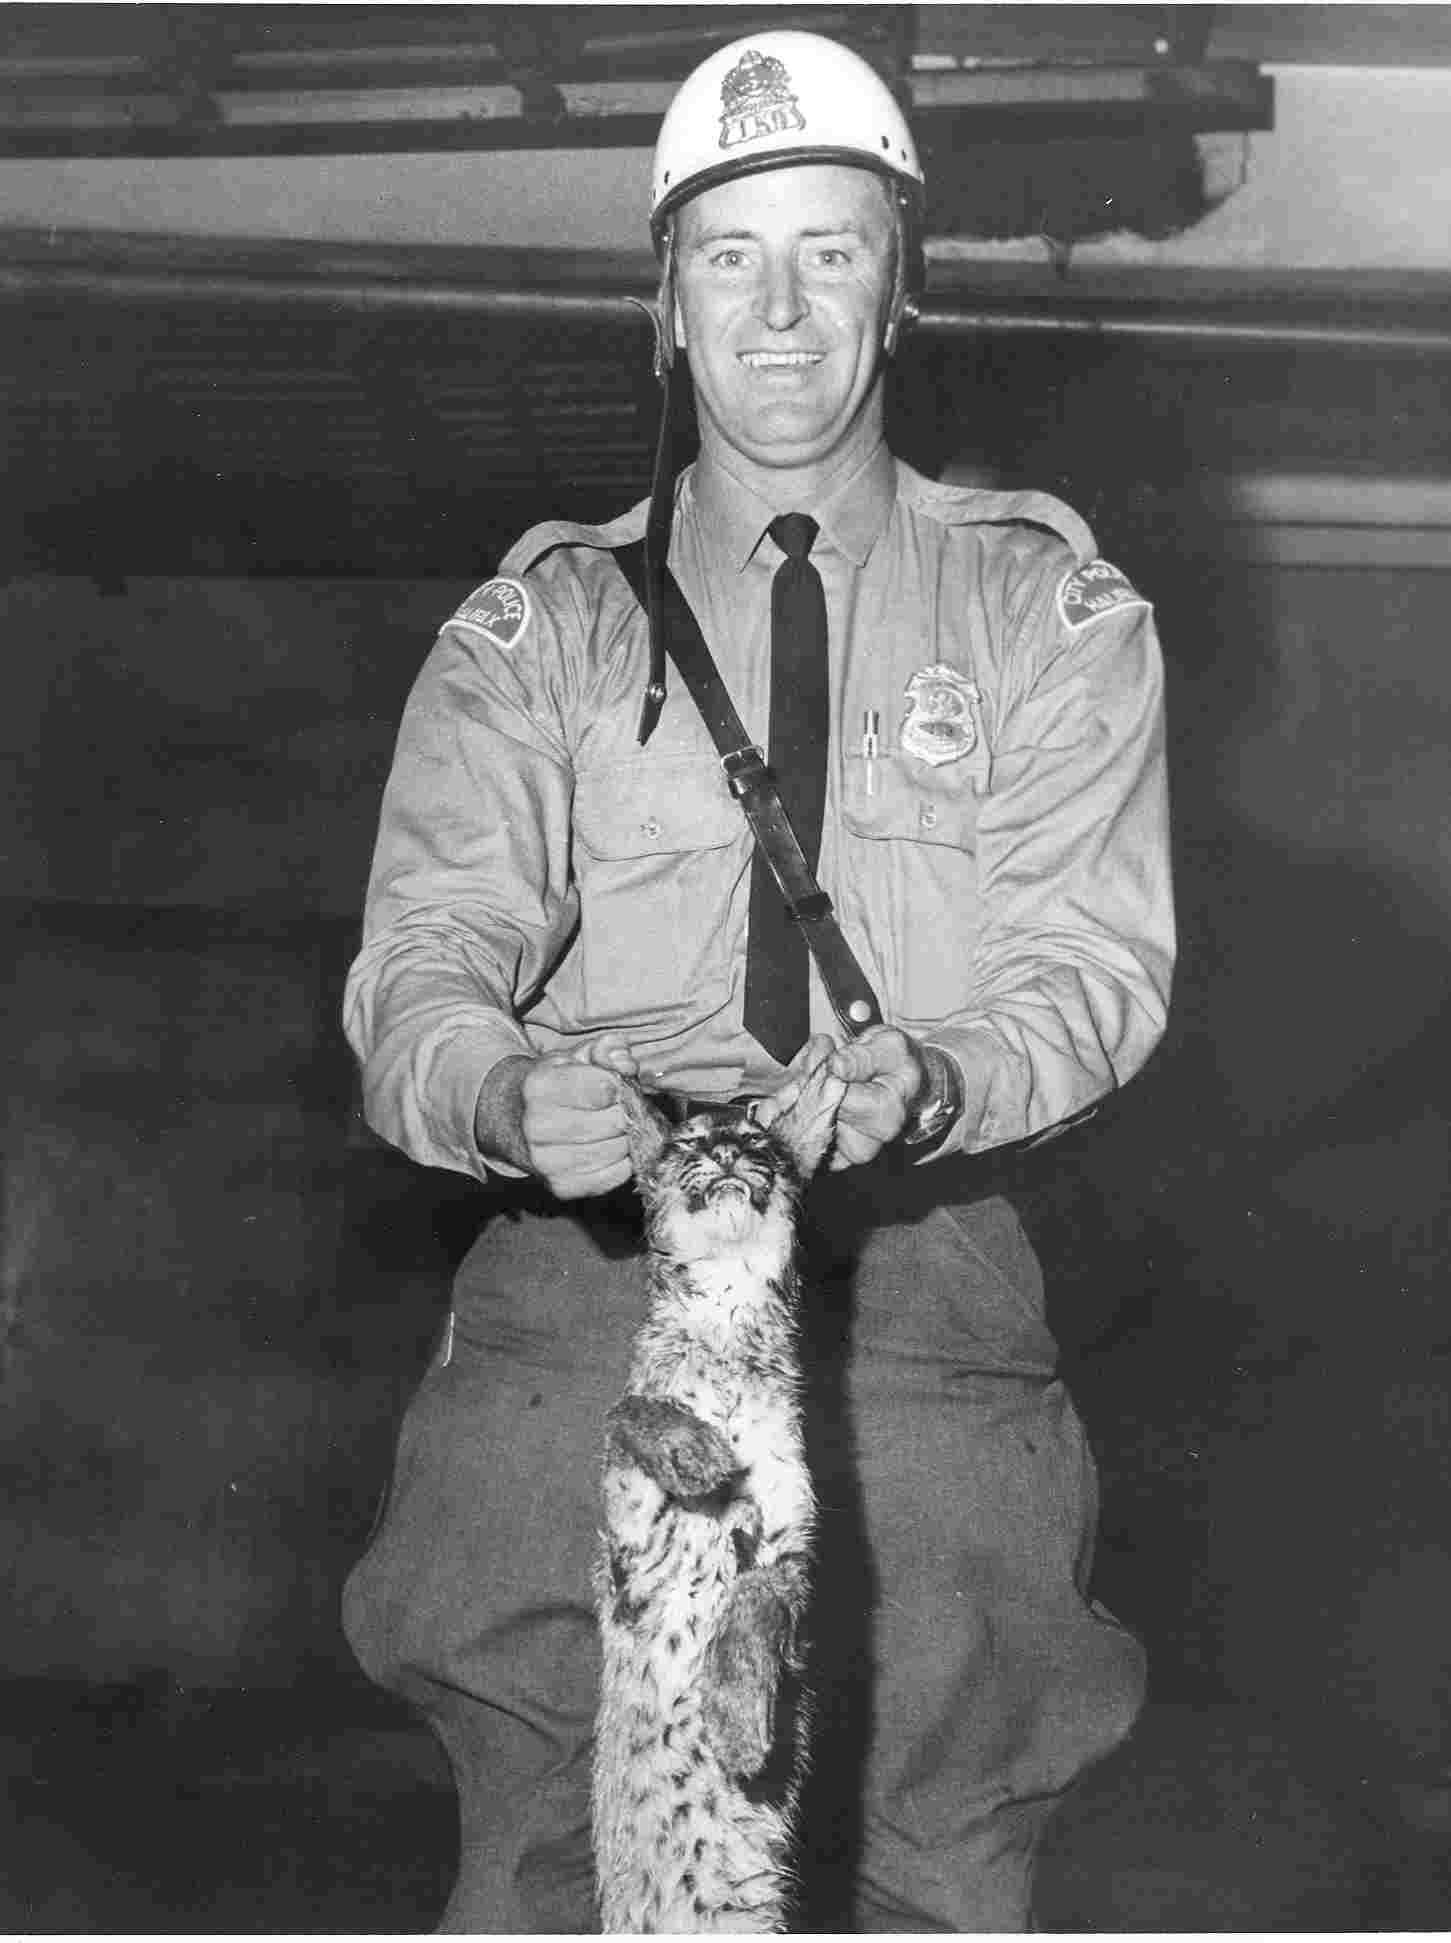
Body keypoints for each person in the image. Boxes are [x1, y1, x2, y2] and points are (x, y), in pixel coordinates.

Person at [341, 28, 1174, 1933]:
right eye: (731, 255)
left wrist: (941, 1077)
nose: (782, 309)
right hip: (592, 1288)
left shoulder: (1052, 611)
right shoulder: (538, 627)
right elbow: (426, 955)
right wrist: (490, 1087)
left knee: (943, 1830)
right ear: (662, 305)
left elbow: (1095, 967)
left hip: (919, 1273)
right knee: (555, 1837)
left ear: (903, 291)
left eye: (832, 249)